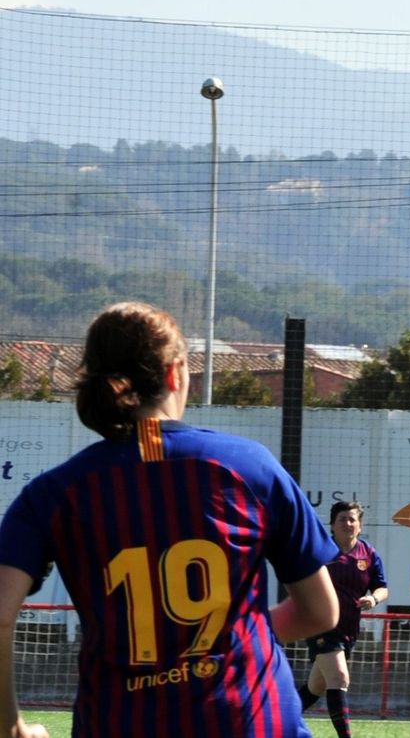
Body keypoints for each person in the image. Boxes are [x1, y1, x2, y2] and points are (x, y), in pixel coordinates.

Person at [0, 301, 339, 738]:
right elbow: (320, 611)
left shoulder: (53, 494)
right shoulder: (248, 467)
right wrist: (223, 641)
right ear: (176, 374)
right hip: (252, 723)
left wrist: (10, 728)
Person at [297, 500, 388, 738]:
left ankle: (270, 719)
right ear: (332, 525)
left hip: (348, 630)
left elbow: (382, 587)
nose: (348, 523)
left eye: (352, 519)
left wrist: (374, 599)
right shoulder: (320, 550)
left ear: (359, 525)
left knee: (316, 686)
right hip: (321, 624)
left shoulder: (367, 553)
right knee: (339, 677)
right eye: (342, 519)